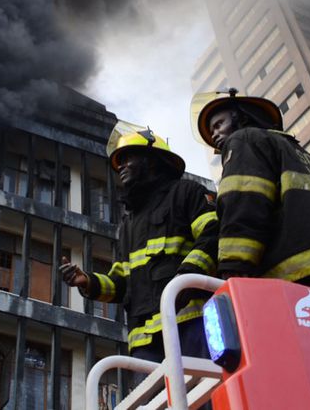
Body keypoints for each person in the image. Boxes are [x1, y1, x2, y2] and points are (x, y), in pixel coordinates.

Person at [60, 126, 218, 370]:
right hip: (144, 340)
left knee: (202, 398)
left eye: (127, 159)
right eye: (119, 162)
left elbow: (212, 236)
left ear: (151, 161)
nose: (121, 166)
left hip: (188, 322)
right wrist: (87, 282)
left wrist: (184, 279)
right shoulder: (128, 223)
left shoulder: (185, 193)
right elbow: (121, 281)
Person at [194, 88, 310, 296]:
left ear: (241, 117)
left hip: (302, 274)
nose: (214, 135)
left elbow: (244, 202)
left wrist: (234, 268)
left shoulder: (244, 139)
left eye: (218, 124)